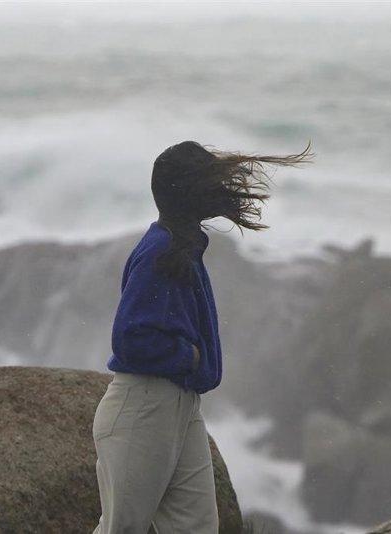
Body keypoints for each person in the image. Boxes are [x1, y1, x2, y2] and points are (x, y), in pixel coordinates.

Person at [92, 140, 312, 533]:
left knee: (196, 527)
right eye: (210, 177)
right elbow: (130, 338)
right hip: (144, 404)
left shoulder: (181, 245)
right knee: (122, 529)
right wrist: (189, 358)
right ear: (190, 192)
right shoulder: (160, 250)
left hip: (180, 405)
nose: (222, 184)